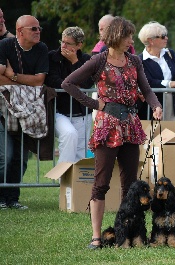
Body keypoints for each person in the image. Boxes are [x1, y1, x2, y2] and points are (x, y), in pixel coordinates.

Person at [61, 17, 162, 249]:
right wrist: (96, 104)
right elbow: (68, 83)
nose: (131, 40)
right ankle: (96, 237)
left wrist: (155, 104)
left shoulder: (135, 61)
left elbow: (146, 90)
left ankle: (129, 234)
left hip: (130, 125)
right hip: (107, 127)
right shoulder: (99, 60)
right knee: (101, 183)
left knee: (130, 184)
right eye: (127, 36)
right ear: (116, 35)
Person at [0, 15, 48, 210]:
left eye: (39, 28)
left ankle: (13, 199)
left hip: (28, 112)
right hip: (4, 110)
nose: (38, 32)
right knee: (7, 155)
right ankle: (1, 198)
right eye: (33, 29)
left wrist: (12, 76)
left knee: (21, 158)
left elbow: (39, 81)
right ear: (20, 31)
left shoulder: (42, 48)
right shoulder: (5, 45)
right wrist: (22, 81)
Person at [45, 26, 94, 163]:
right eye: (62, 41)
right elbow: (52, 80)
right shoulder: (52, 57)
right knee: (69, 134)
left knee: (80, 153)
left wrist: (74, 62)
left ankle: (75, 184)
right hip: (58, 110)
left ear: (79, 45)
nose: (63, 46)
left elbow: (87, 83)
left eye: (68, 43)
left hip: (82, 112)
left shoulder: (85, 59)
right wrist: (72, 85)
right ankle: (63, 180)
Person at [137, 21, 175, 120]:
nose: (166, 38)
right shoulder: (140, 60)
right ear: (150, 40)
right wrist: (171, 84)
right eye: (163, 36)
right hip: (153, 109)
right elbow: (149, 82)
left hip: (174, 105)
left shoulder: (170, 53)